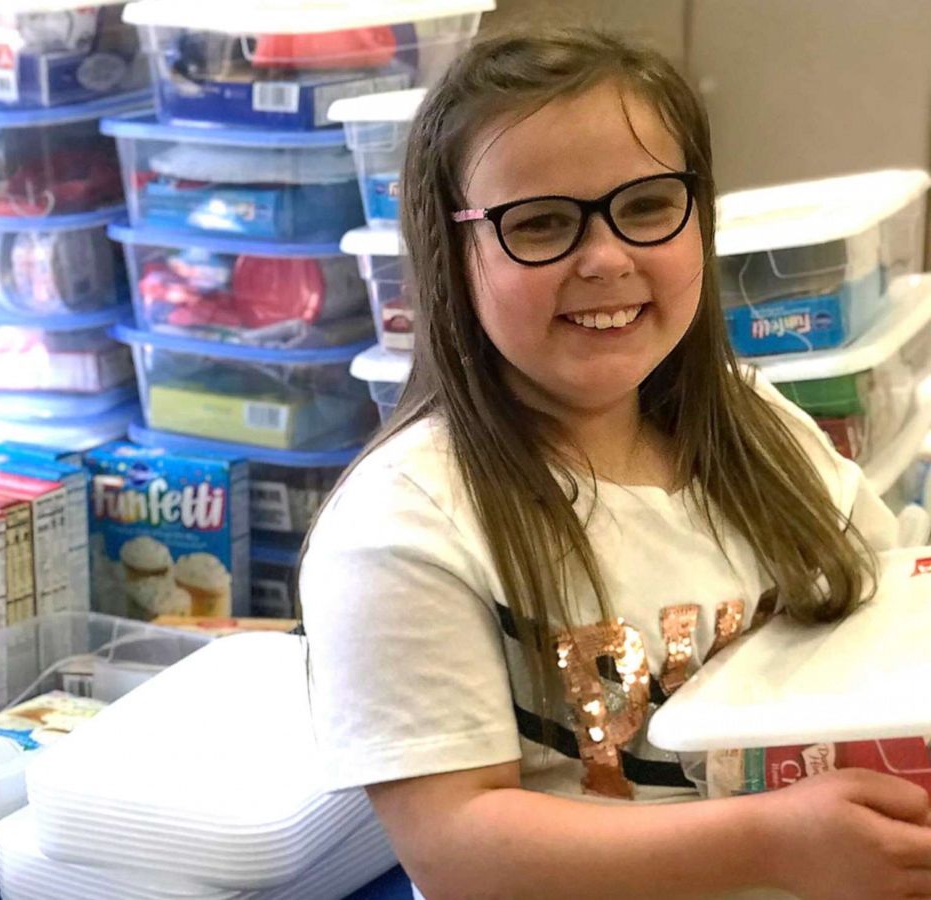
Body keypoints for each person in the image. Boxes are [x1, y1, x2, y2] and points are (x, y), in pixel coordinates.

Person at [299, 28, 929, 900]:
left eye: (644, 206)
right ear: (455, 255)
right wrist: (772, 845)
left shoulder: (753, 424)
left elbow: (891, 603)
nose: (605, 258)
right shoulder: (401, 527)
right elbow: (456, 848)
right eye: (542, 224)